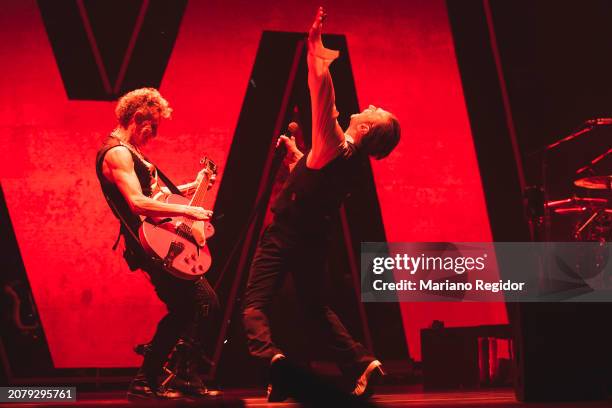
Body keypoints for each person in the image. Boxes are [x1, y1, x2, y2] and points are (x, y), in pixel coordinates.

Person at [242, 7, 401, 401]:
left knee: (254, 305)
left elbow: (321, 92)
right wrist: (297, 155)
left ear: (364, 128)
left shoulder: (335, 144)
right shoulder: (346, 159)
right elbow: (317, 180)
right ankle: (361, 361)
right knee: (313, 306)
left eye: (374, 111)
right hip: (315, 238)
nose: (370, 105)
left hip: (287, 232)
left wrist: (316, 49)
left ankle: (273, 361)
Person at [95, 88, 220, 400]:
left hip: (161, 240)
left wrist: (195, 184)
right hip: (150, 245)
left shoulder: (132, 151)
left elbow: (157, 196)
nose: (156, 133)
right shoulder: (118, 153)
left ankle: (149, 378)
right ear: (138, 119)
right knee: (204, 302)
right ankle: (181, 374)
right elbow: (138, 203)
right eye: (154, 125)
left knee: (184, 310)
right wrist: (189, 210)